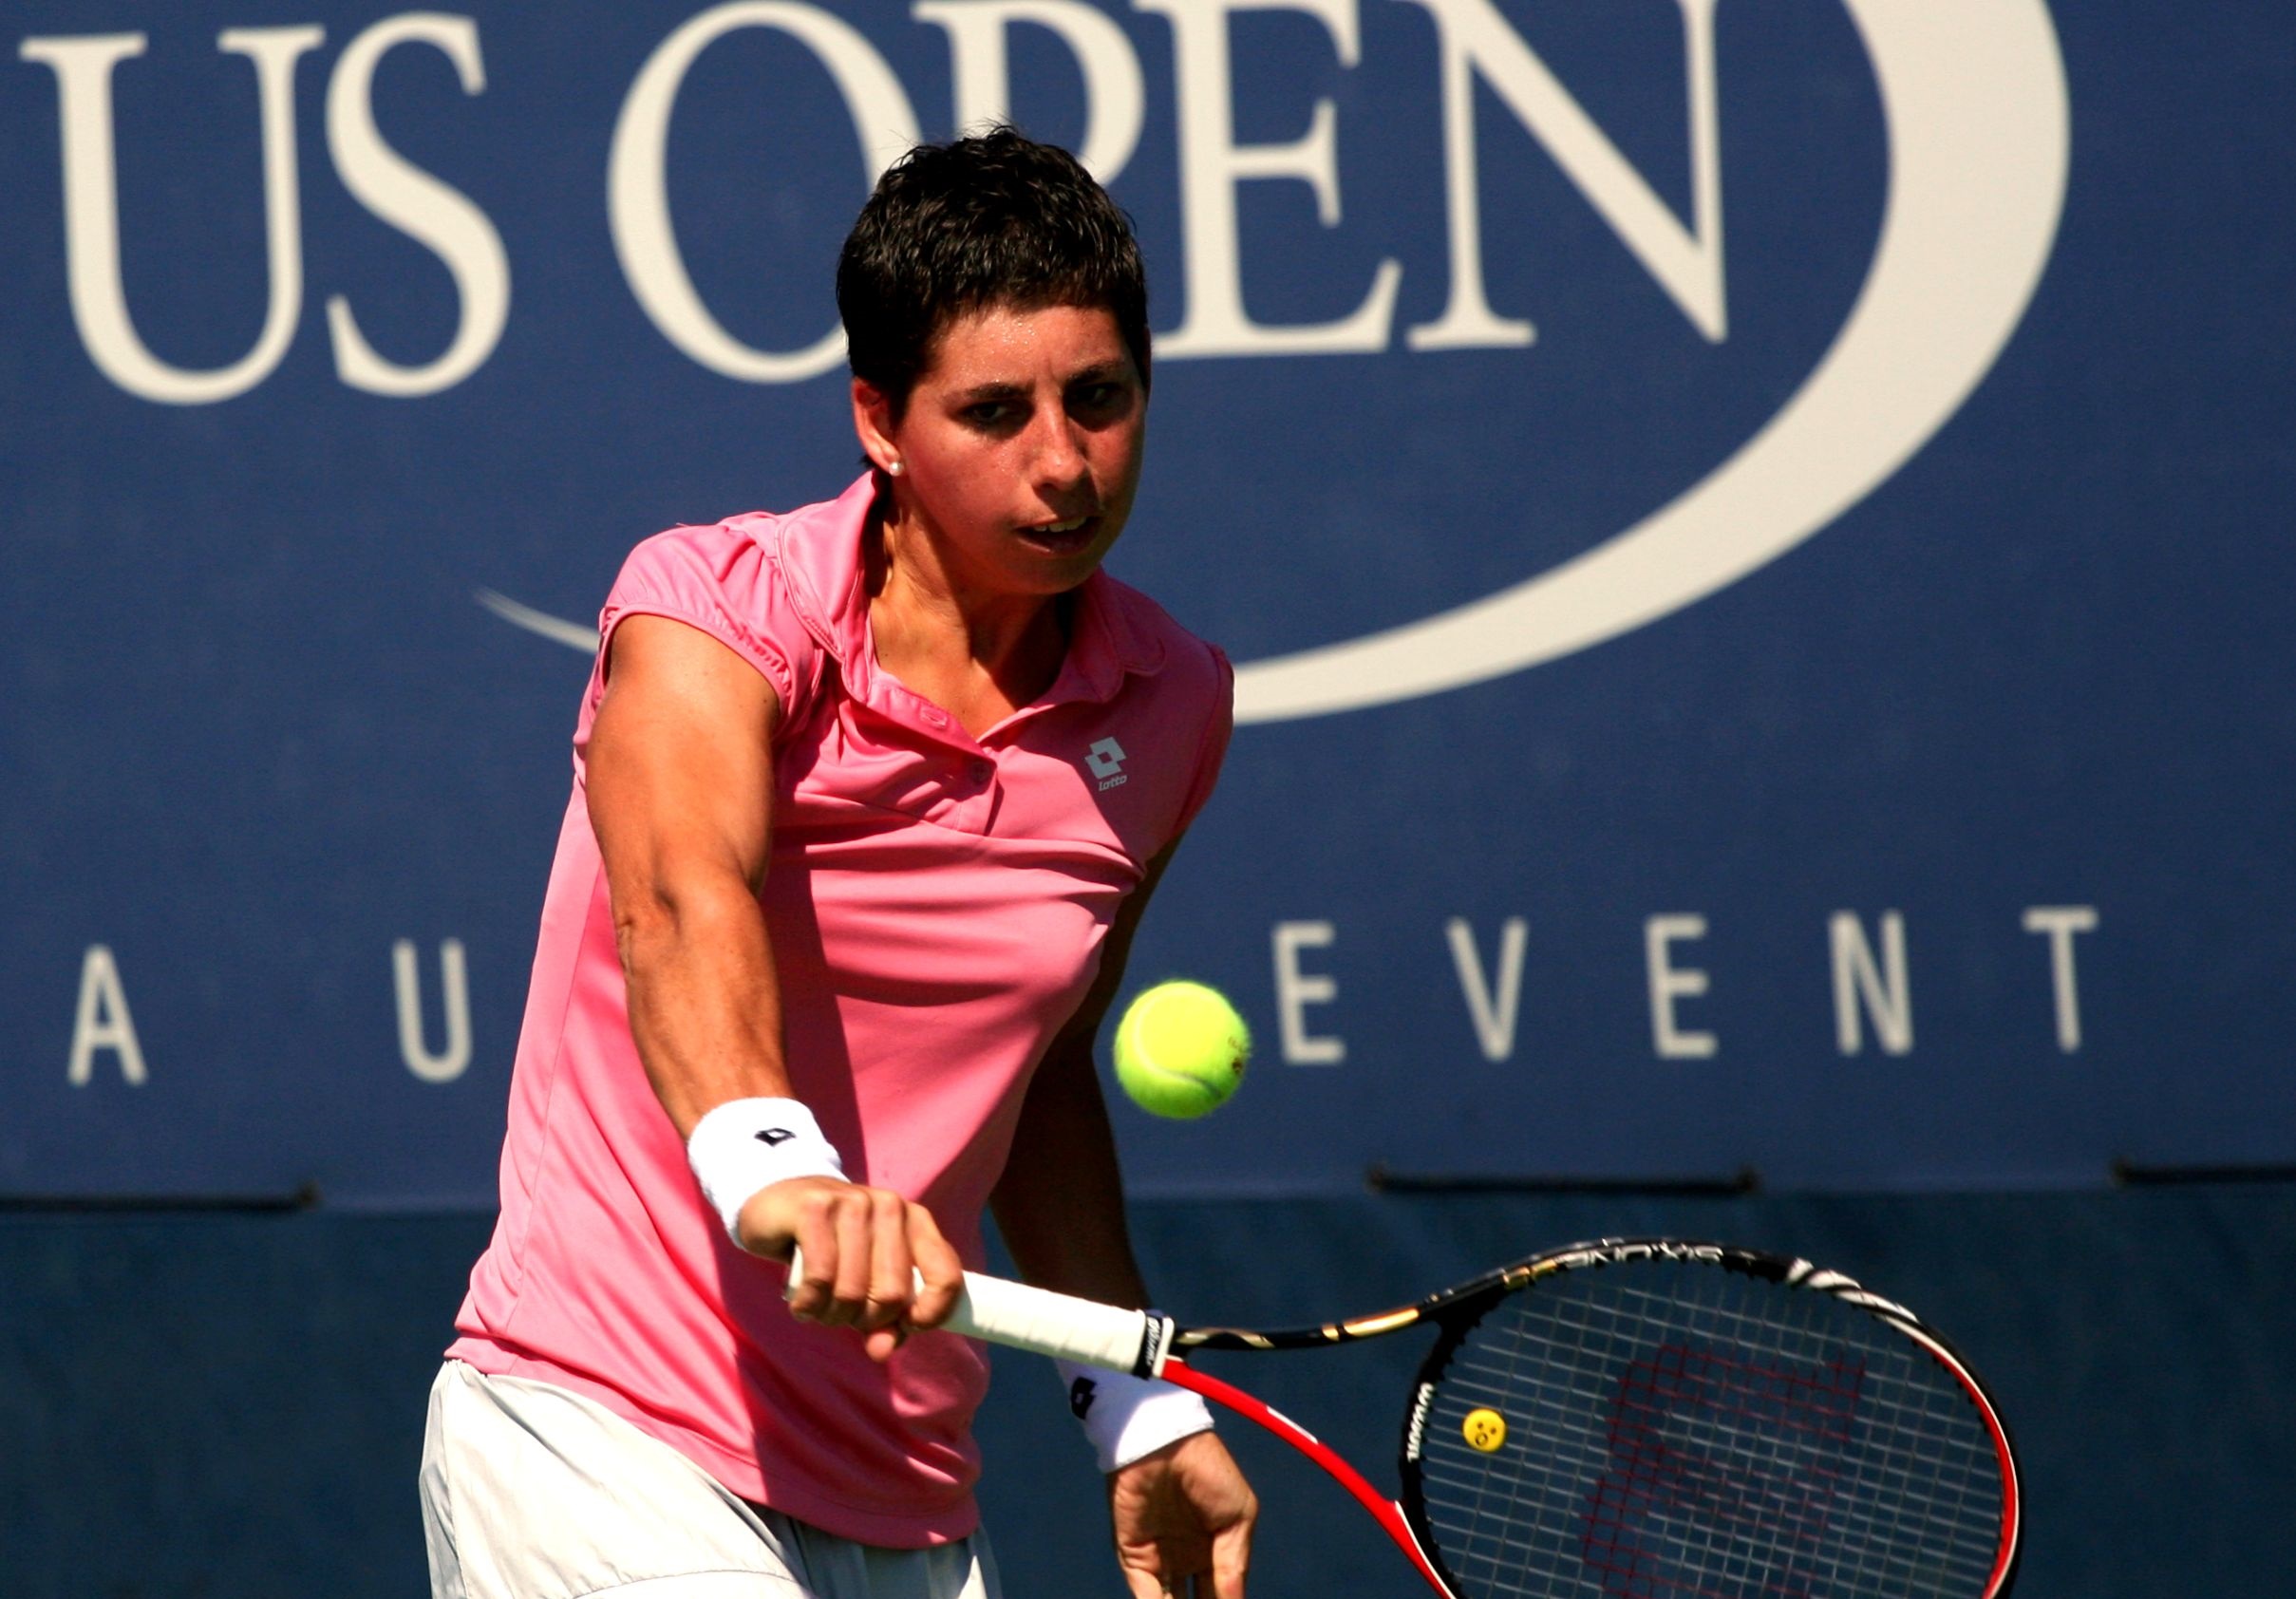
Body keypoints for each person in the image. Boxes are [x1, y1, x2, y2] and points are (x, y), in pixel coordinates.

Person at [419, 128, 1258, 1599]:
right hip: (604, 1429)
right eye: (992, 412)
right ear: (880, 421)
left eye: (1101, 398)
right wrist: (778, 1172)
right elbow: (679, 900)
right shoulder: (712, 611)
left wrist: (1135, 1404)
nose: (1063, 463)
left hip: (908, 1494)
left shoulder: (1172, 698)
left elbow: (1040, 1075)